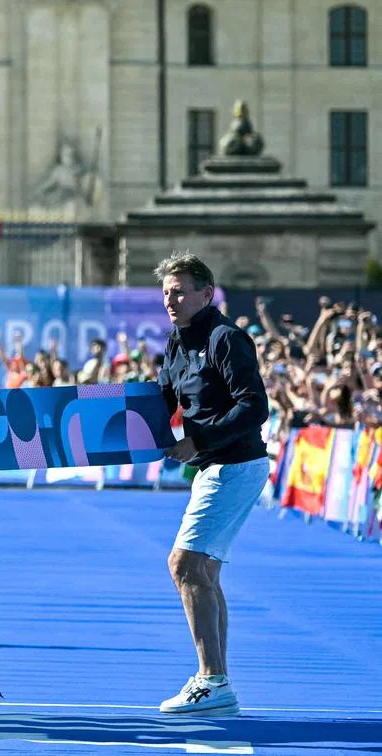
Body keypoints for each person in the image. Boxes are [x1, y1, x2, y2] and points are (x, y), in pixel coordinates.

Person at [154, 252, 270, 717]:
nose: (171, 299)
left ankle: (211, 680)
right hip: (216, 465)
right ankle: (216, 680)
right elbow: (162, 398)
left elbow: (254, 406)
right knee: (204, 573)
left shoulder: (226, 338)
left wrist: (197, 439)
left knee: (184, 566)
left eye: (180, 291)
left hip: (234, 464)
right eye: (166, 292)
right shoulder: (176, 341)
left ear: (206, 293)